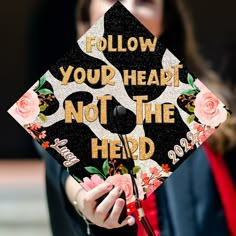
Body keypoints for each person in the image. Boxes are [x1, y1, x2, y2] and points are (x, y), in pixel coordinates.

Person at [41, 0, 236, 236]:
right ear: (87, 13)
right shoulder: (64, 106)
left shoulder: (208, 105)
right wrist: (86, 201)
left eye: (145, 1)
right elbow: (65, 172)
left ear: (165, 19)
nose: (128, 10)